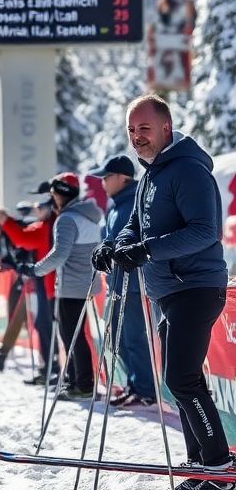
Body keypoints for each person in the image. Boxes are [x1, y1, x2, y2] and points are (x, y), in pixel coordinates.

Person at [95, 94, 230, 490]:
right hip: (169, 290)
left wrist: (147, 251)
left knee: (183, 378)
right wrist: (115, 247)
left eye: (144, 128)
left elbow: (206, 231)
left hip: (195, 286)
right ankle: (201, 470)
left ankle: (221, 473)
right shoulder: (152, 176)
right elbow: (135, 225)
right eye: (132, 130)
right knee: (180, 383)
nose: (137, 137)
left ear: (166, 128)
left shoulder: (187, 170)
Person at [89, 154, 156, 407]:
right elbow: (111, 237)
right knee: (119, 336)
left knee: (133, 337)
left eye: (106, 177)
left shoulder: (133, 202)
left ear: (121, 178)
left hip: (134, 282)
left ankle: (145, 389)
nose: (103, 183)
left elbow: (135, 237)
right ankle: (134, 384)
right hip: (117, 282)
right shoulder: (116, 204)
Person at [27, 173, 102, 399]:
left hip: (71, 285)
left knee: (71, 335)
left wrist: (34, 269)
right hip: (85, 283)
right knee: (74, 335)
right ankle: (75, 381)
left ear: (61, 194)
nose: (52, 198)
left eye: (53, 194)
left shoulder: (67, 219)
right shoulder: (87, 215)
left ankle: (83, 385)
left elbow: (59, 255)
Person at [0, 201, 57, 384]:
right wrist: (11, 263)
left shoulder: (13, 229)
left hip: (35, 277)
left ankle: (50, 366)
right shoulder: (4, 236)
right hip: (29, 278)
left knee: (38, 321)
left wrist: (19, 263)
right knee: (23, 318)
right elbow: (11, 254)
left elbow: (27, 245)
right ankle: (9, 356)